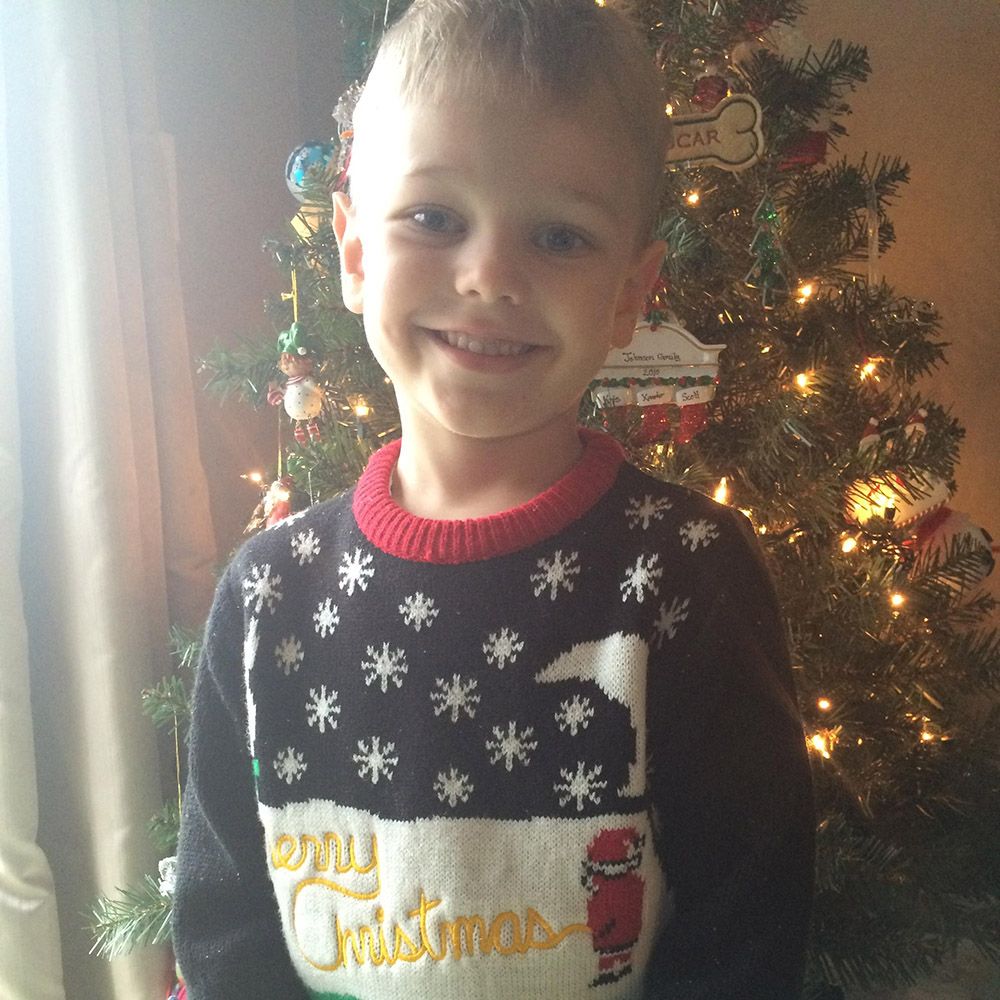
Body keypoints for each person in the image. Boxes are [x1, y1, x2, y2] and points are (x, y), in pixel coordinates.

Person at [172, 1, 815, 997]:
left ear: (626, 296)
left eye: (558, 236)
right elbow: (226, 936)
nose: (489, 276)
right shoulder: (265, 598)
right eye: (433, 218)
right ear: (351, 251)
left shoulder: (686, 575)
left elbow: (743, 937)